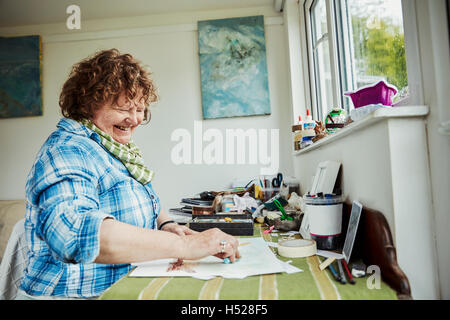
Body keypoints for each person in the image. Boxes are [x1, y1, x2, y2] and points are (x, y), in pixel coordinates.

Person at [17, 48, 240, 299]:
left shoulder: (115, 148)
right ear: (88, 105)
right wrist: (186, 245)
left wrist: (166, 224)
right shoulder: (69, 149)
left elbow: (146, 199)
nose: (134, 120)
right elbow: (71, 232)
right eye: (124, 109)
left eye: (140, 109)